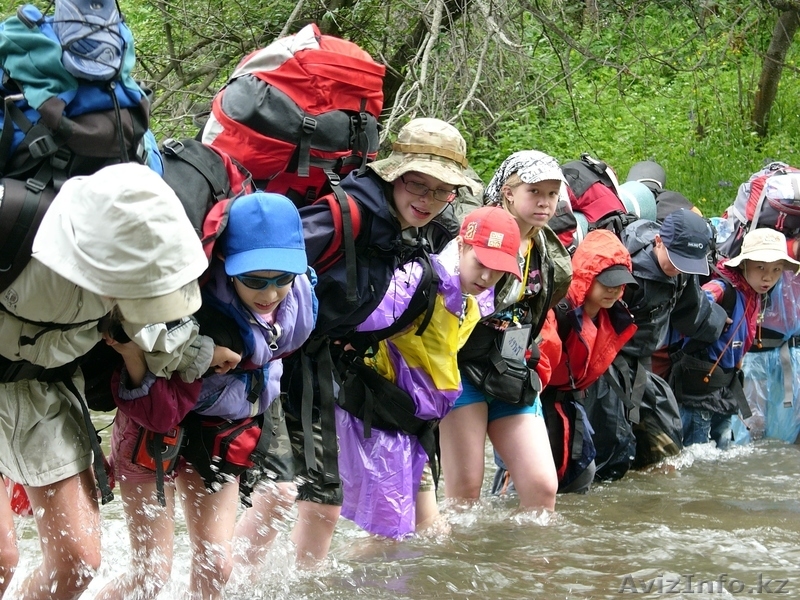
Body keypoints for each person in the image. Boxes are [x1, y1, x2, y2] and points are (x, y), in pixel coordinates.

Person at [234, 118, 476, 567]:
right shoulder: (345, 216)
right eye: (417, 184)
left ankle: (281, 586)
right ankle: (226, 585)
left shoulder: (409, 231)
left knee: (311, 500)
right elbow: (260, 266)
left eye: (442, 191)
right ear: (394, 175)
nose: (427, 199)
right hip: (275, 361)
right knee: (284, 493)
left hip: (323, 366)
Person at [0, 164, 208, 600]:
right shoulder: (12, 223)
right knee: (2, 558)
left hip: (46, 388)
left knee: (77, 563)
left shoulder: (148, 251)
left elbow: (164, 344)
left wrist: (207, 352)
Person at [96, 193, 316, 600]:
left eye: (282, 279)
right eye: (255, 280)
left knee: (216, 564)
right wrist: (136, 354)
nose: (270, 293)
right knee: (151, 574)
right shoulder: (188, 312)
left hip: (218, 432)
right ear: (226, 264)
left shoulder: (299, 297)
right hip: (151, 429)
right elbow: (156, 411)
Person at [335, 206, 521, 539]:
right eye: (481, 264)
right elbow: (357, 319)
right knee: (389, 538)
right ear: (461, 246)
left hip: (415, 430)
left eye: (498, 271)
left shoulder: (476, 300)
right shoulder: (420, 281)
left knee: (431, 532)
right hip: (382, 423)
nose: (486, 278)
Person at [440, 150, 572, 513]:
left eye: (552, 194)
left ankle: (528, 553)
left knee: (542, 487)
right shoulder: (474, 237)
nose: (545, 202)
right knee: (465, 494)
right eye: (535, 192)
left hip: (511, 368)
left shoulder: (545, 248)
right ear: (509, 193)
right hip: (461, 369)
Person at [582, 208, 729, 479]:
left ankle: (652, 496)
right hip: (603, 364)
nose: (679, 268)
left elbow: (692, 312)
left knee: (668, 447)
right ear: (659, 241)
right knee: (612, 446)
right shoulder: (625, 269)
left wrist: (720, 322)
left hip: (641, 364)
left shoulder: (682, 270)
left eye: (688, 264)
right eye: (676, 260)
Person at [494, 229, 639, 495]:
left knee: (582, 475)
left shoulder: (611, 316)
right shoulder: (558, 310)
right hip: (533, 402)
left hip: (568, 405)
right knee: (521, 485)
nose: (614, 290)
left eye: (620, 284)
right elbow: (530, 362)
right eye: (607, 282)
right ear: (586, 277)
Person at [672, 228, 800, 449]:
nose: (768, 277)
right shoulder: (724, 288)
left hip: (724, 389)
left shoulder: (753, 295)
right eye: (760, 267)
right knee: (696, 452)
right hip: (699, 389)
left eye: (776, 269)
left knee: (721, 450)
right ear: (743, 265)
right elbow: (694, 305)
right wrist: (712, 317)